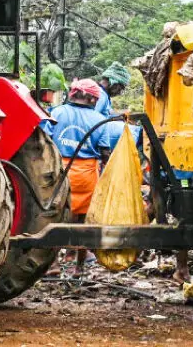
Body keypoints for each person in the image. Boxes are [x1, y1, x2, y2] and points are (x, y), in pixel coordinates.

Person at [42, 78, 111, 276]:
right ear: (91, 98)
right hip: (87, 175)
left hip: (61, 171)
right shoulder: (99, 119)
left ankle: (53, 264)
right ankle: (79, 268)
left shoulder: (57, 112)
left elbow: (44, 138)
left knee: (55, 220)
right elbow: (105, 152)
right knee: (83, 222)